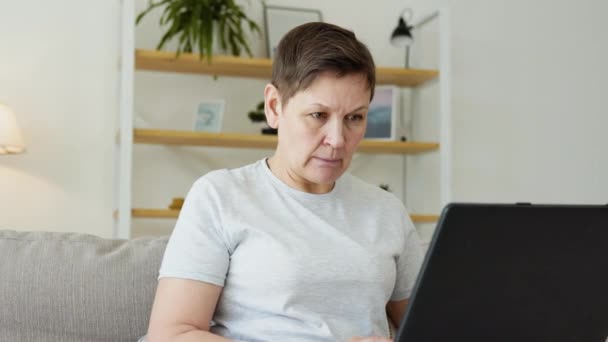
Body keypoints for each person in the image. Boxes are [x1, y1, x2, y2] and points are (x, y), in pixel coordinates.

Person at [145, 22, 424, 342]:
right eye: (318, 115)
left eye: (354, 118)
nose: (337, 140)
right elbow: (171, 334)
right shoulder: (220, 196)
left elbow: (429, 326)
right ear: (274, 107)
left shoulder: (387, 210)